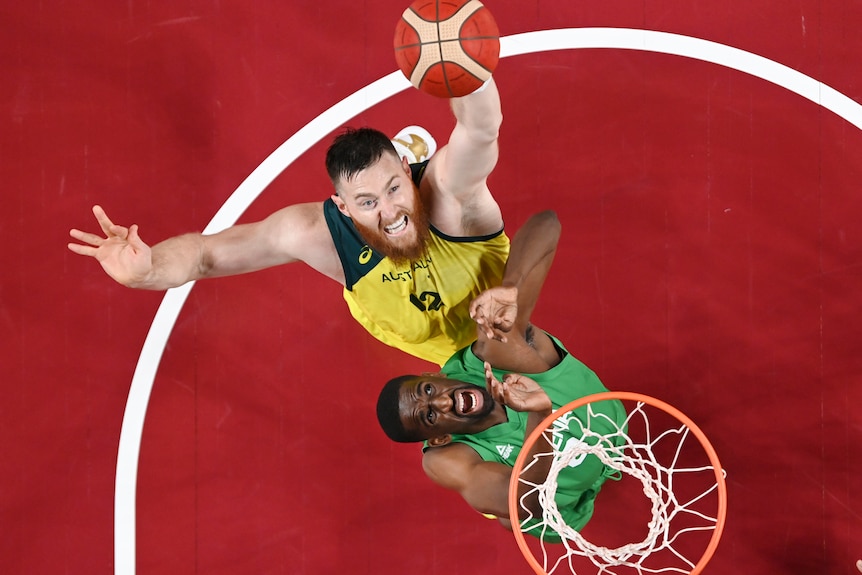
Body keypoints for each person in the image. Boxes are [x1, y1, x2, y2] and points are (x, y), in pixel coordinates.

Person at [67, 80, 509, 366]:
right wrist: (149, 270)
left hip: (485, 305)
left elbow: (481, 130)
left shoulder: (448, 194)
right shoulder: (316, 234)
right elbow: (204, 255)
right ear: (342, 207)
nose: (389, 212)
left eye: (396, 187)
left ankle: (400, 154)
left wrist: (467, 68)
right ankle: (391, 158)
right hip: (431, 336)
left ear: (410, 176)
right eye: (367, 201)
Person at [375, 210, 627, 540]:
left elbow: (549, 223)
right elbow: (529, 501)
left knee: (516, 341)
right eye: (430, 415)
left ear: (432, 374)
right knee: (511, 514)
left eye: (427, 390)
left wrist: (511, 288)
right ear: (438, 438)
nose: (441, 400)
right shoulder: (443, 459)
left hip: (612, 425)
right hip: (564, 507)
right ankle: (496, 502)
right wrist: (540, 414)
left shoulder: (492, 352)